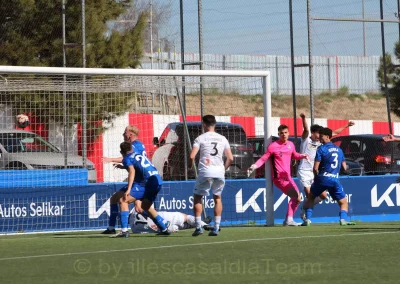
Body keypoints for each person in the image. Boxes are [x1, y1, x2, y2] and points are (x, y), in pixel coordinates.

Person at [247, 124, 309, 226]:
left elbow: (294, 155)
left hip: (288, 177)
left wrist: (302, 156)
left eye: (285, 133)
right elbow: (263, 158)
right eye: (281, 133)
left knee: (297, 198)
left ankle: (287, 220)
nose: (283, 135)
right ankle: (289, 219)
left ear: (288, 133)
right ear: (278, 134)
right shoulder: (273, 146)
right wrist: (254, 166)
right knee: (295, 196)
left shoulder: (290, 145)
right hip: (279, 178)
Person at [298, 113, 355, 220]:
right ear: (313, 133)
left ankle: (305, 207)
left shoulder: (321, 143)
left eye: (321, 135)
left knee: (323, 196)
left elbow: (335, 133)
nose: (319, 136)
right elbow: (305, 129)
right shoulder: (306, 140)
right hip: (305, 171)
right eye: (318, 134)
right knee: (310, 194)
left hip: (317, 173)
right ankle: (306, 215)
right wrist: (303, 118)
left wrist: (346, 126)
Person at [114, 141, 170, 237]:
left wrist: (128, 189)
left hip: (146, 183)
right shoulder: (138, 154)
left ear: (121, 152)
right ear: (132, 149)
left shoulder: (126, 158)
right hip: (157, 180)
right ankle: (163, 226)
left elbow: (132, 171)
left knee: (123, 200)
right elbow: (138, 166)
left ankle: (124, 231)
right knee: (145, 206)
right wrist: (123, 167)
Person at [190, 115, 234, 237]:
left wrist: (190, 166)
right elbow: (230, 158)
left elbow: (192, 156)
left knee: (198, 197)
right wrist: (223, 169)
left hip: (205, 171)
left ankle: (198, 227)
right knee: (217, 198)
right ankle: (216, 227)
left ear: (204, 124)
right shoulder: (223, 138)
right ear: (214, 124)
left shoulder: (200, 138)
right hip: (219, 172)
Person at [101, 125, 147, 234]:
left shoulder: (136, 145)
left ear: (130, 135)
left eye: (124, 133)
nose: (123, 135)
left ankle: (164, 222)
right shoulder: (137, 145)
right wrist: (123, 166)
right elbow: (134, 163)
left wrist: (110, 159)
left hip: (139, 183)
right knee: (114, 198)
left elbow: (127, 158)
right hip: (137, 181)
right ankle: (111, 228)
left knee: (137, 207)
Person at [130, 210, 212, 234]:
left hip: (159, 229)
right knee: (185, 217)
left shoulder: (134, 230)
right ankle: (204, 224)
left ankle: (202, 223)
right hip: (162, 217)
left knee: (181, 226)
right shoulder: (136, 208)